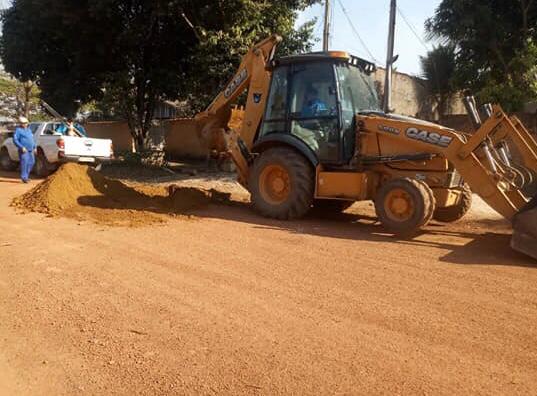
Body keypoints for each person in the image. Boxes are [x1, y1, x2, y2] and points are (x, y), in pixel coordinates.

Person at [13, 116, 36, 183]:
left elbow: (32, 139)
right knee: (24, 163)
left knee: (32, 162)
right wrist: (21, 147)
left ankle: (26, 176)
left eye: (25, 123)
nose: (24, 124)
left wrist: (34, 147)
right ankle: (24, 178)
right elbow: (15, 140)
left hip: (31, 149)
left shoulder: (29, 130)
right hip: (24, 150)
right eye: (22, 123)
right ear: (20, 123)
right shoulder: (18, 130)